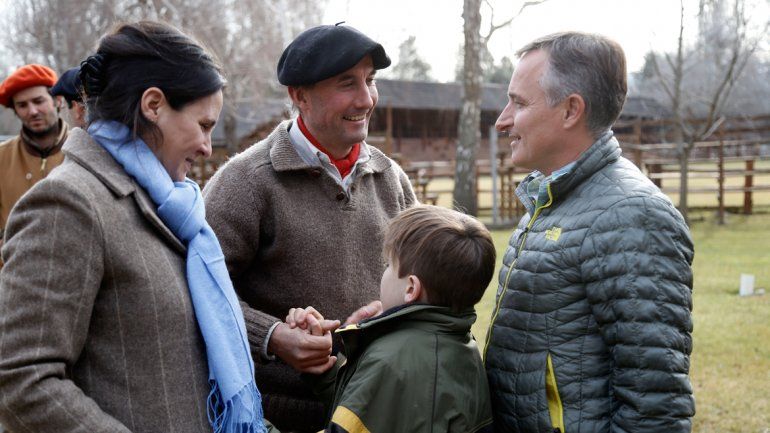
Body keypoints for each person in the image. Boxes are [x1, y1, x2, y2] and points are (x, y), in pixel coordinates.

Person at [0, 21, 266, 433]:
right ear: (154, 105)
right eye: (203, 125)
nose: (207, 147)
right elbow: (20, 380)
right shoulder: (69, 203)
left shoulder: (172, 206)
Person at [203, 23, 416, 431]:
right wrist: (272, 336)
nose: (366, 98)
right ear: (299, 95)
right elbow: (198, 288)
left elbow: (422, 282)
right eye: (346, 83)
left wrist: (390, 314)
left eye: (370, 81)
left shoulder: (392, 179)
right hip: (276, 417)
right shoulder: (246, 181)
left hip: (381, 409)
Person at [483, 32, 695, 433]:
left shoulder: (632, 214)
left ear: (570, 110)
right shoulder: (551, 197)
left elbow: (655, 404)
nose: (502, 119)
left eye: (519, 102)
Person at [287, 205, 496, 433]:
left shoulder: (390, 361)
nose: (384, 272)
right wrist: (326, 371)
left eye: (389, 265)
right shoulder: (461, 345)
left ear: (411, 288)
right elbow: (389, 415)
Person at [0, 64, 68, 258]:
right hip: (13, 279)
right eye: (22, 105)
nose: (32, 111)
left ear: (58, 101)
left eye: (39, 101)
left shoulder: (86, 150)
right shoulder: (2, 158)